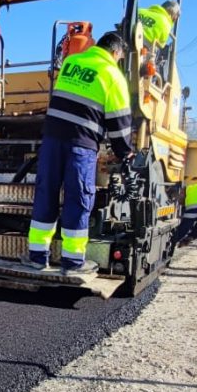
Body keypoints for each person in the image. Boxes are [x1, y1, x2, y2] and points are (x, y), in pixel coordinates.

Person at [23, 31, 134, 275]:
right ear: (116, 53)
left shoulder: (72, 62)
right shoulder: (113, 75)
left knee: (46, 193)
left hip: (51, 140)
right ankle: (73, 262)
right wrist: (124, 152)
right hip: (81, 146)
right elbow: (120, 120)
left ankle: (37, 257)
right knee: (78, 198)